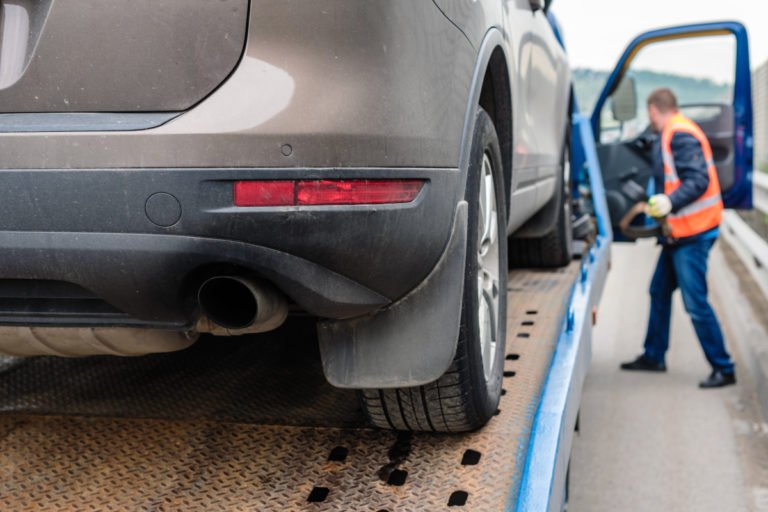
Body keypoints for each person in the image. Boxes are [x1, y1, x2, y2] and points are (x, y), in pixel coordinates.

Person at [620, 88, 736, 388]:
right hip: (679, 234)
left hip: (694, 233)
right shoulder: (672, 132)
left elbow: (698, 179)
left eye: (650, 115)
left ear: (655, 110)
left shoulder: (680, 134)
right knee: (659, 291)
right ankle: (654, 356)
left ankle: (724, 367)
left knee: (695, 302)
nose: (651, 120)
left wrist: (670, 202)